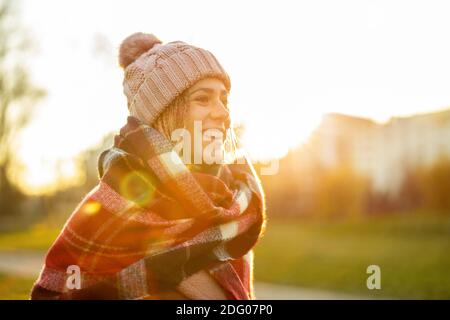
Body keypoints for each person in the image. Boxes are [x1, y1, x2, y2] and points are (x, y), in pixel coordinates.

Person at [30, 32, 266, 300]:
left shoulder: (234, 203)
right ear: (162, 114)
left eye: (223, 99)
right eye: (203, 98)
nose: (223, 113)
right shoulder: (107, 213)